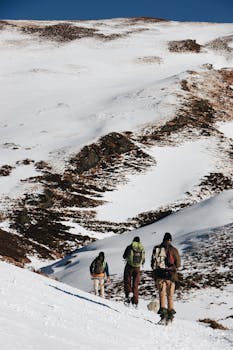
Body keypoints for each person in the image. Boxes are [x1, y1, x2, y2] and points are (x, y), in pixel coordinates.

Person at [151, 232, 181, 324]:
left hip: (160, 276)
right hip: (171, 277)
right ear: (170, 240)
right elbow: (178, 264)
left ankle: (163, 317)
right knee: (170, 296)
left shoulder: (157, 248)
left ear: (163, 239)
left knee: (162, 295)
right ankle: (170, 318)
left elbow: (153, 264)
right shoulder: (174, 250)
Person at [123, 236, 145, 307]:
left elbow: (124, 256)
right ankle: (135, 302)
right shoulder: (142, 248)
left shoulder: (129, 246)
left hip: (129, 266)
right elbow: (143, 258)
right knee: (135, 284)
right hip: (137, 267)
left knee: (127, 280)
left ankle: (128, 294)